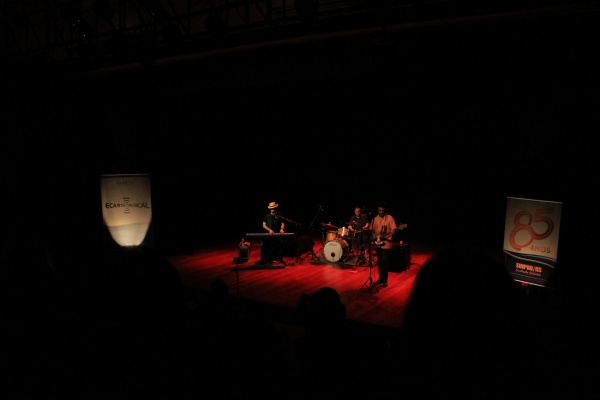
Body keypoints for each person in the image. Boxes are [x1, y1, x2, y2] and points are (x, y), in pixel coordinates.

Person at [369, 201, 397, 287]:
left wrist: (394, 231)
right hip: (378, 244)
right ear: (377, 210)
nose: (381, 212)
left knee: (385, 262)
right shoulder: (374, 219)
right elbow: (371, 230)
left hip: (386, 244)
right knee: (380, 262)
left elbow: (394, 232)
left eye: (383, 210)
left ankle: (385, 280)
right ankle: (381, 279)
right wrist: (374, 239)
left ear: (385, 210)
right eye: (379, 210)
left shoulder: (390, 218)